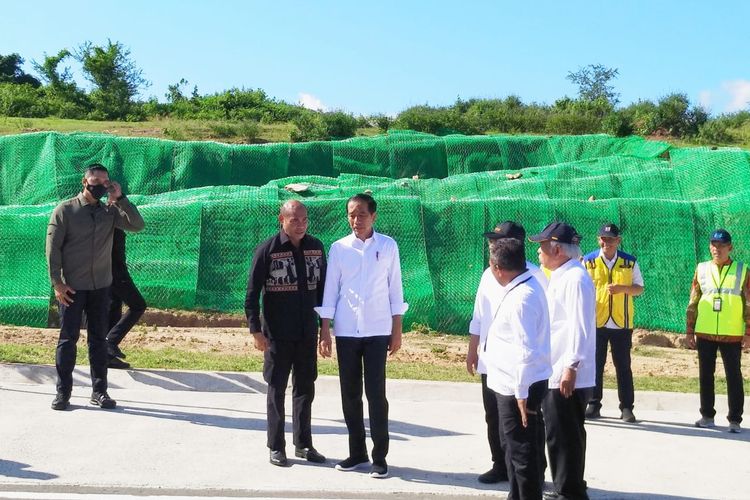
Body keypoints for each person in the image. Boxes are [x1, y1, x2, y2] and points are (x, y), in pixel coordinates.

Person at [315, 193, 408, 479]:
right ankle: (357, 452)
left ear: (374, 216)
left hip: (378, 330)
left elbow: (395, 289)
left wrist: (397, 328)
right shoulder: (339, 248)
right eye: (352, 215)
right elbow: (330, 289)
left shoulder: (388, 246)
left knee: (376, 395)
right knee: (350, 394)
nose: (357, 220)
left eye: (362, 215)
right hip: (346, 330)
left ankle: (380, 457)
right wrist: (325, 330)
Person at [46, 164, 145, 411]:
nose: (99, 185)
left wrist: (120, 198)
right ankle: (63, 393)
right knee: (68, 339)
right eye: (95, 180)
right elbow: (52, 250)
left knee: (98, 340)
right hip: (72, 288)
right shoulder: (65, 210)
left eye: (104, 182)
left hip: (100, 287)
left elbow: (137, 224)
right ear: (84, 181)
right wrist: (57, 283)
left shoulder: (109, 212)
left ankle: (99, 392)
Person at [244, 200, 328, 466]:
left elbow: (324, 293)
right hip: (276, 336)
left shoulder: (316, 247)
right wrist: (256, 331)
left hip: (306, 333)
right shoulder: (266, 250)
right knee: (276, 388)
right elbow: (251, 295)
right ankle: (276, 446)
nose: (301, 225)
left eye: (304, 219)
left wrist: (324, 329)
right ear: (281, 219)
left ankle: (303, 444)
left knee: (305, 389)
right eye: (294, 220)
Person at [466, 221, 548, 485]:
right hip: (492, 360)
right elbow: (479, 315)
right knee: (494, 416)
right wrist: (473, 349)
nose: (492, 245)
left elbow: (536, 329)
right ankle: (500, 464)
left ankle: (534, 469)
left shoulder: (534, 277)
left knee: (526, 423)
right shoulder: (489, 273)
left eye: (497, 241)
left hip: (519, 366)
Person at [529, 222, 596, 500]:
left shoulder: (575, 279)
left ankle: (569, 491)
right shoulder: (561, 275)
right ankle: (568, 486)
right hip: (555, 367)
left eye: (542, 247)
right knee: (560, 433)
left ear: (557, 249)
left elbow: (580, 327)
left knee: (565, 435)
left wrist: (571, 367)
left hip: (566, 372)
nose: (539, 254)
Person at [484, 237, 552, 500]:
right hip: (512, 384)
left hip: (519, 387)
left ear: (498, 268)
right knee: (515, 452)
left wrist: (521, 394)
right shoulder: (522, 286)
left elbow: (527, 350)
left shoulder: (522, 298)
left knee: (523, 454)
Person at [686, 229, 749, 433]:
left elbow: (749, 303)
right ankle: (706, 415)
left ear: (730, 247)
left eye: (722, 245)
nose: (717, 249)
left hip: (732, 333)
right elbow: (693, 301)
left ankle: (735, 420)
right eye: (714, 245)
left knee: (734, 376)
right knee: (705, 374)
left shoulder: (742, 270)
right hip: (704, 332)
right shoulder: (702, 268)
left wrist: (748, 332)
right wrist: (689, 331)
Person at [582, 223, 644, 423]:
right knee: (596, 364)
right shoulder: (588, 261)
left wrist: (623, 288)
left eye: (611, 239)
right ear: (598, 240)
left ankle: (626, 407)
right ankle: (593, 403)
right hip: (597, 321)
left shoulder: (629, 262)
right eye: (603, 239)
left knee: (623, 366)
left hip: (621, 322)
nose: (606, 243)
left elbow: (639, 288)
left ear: (619, 240)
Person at [105, 228, 148, 369]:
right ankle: (110, 342)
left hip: (113, 271)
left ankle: (107, 357)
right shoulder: (109, 214)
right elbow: (137, 223)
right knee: (138, 305)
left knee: (114, 307)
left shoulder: (112, 216)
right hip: (115, 272)